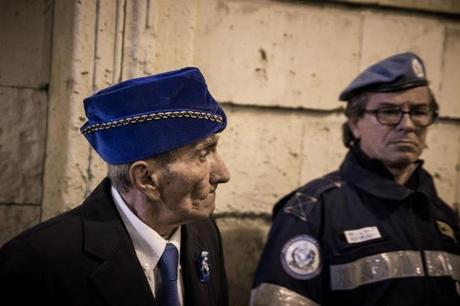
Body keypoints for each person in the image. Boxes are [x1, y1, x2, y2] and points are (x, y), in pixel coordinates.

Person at [0, 67, 231, 306]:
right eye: (203, 154)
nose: (223, 174)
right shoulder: (39, 263)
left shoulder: (203, 232)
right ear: (146, 179)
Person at [251, 52, 460, 305]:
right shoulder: (314, 211)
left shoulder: (443, 216)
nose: (408, 125)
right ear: (355, 123)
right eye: (389, 112)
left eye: (419, 111)